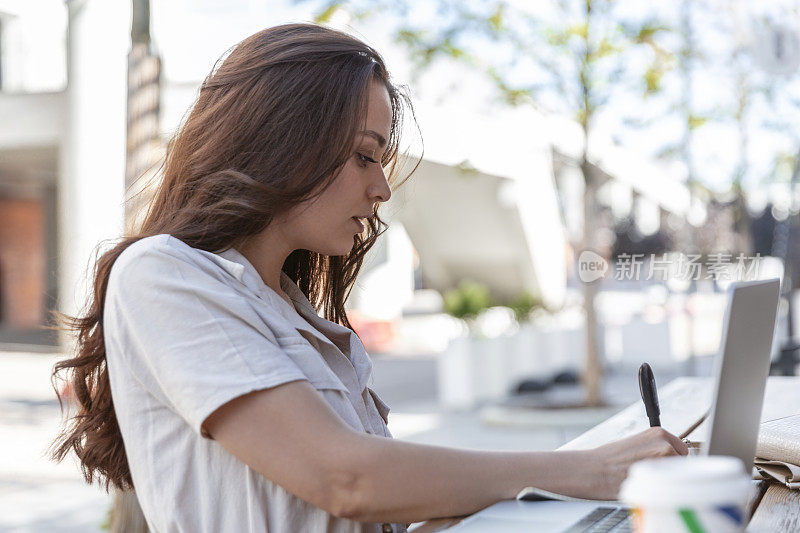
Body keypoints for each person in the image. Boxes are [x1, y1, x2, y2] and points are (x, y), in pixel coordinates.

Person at [50, 23, 688, 533]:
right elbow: (346, 480)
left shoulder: (298, 315)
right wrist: (589, 471)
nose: (381, 188)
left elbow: (369, 502)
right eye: (362, 156)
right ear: (282, 139)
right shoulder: (163, 275)